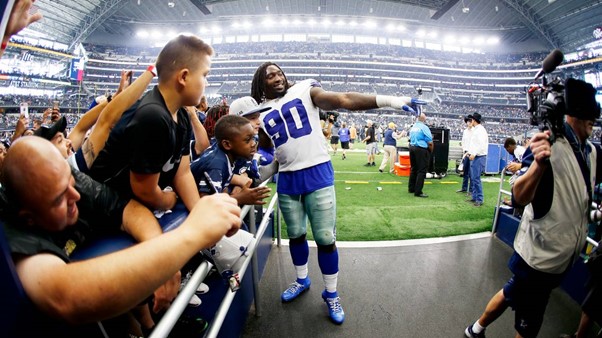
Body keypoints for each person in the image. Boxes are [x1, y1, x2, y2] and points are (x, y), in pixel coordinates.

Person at [1, 137, 241, 337]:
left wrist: (159, 255)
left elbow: (129, 211)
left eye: (71, 182)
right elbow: (66, 295)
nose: (75, 195)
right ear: (28, 216)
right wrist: (192, 233)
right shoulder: (11, 232)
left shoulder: (62, 182)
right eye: (58, 199)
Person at [250, 61, 423, 324]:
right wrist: (255, 163)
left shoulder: (306, 89)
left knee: (324, 238)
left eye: (279, 72)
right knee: (295, 234)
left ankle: (331, 293)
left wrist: (391, 101)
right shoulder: (262, 113)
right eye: (269, 75)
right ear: (261, 84)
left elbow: (343, 99)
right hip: (287, 178)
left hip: (317, 172)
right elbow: (266, 149)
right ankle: (301, 279)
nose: (276, 77)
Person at [464, 79, 601, 338]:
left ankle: (476, 329)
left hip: (557, 257)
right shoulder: (548, 145)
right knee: (528, 327)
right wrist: (539, 164)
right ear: (575, 116)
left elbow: (575, 197)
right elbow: (518, 196)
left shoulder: (591, 152)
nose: (593, 123)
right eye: (589, 117)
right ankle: (475, 329)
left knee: (511, 292)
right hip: (540, 259)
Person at [88, 34, 210, 214]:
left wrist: (199, 213)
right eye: (204, 75)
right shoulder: (152, 115)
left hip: (135, 203)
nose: (206, 82)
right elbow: (144, 190)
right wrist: (168, 200)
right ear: (183, 77)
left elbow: (182, 172)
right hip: (105, 207)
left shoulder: (182, 115)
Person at [190, 115, 271, 206]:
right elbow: (206, 203)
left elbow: (221, 192)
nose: (253, 144)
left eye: (253, 138)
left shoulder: (224, 155)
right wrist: (240, 198)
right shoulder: (216, 164)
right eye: (247, 140)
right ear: (227, 145)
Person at [466, 112, 488, 207]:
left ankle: (479, 199)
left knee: (476, 178)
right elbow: (475, 144)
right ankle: (475, 197)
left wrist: (474, 153)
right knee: (474, 178)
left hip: (479, 156)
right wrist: (470, 152)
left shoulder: (480, 130)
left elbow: (481, 144)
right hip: (475, 156)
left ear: (474, 120)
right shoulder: (477, 129)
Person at [408, 113, 433, 198]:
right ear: (424, 119)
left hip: (412, 147)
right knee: (421, 170)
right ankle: (418, 191)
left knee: (413, 168)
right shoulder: (424, 127)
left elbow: (410, 138)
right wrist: (431, 151)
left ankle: (411, 188)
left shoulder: (413, 127)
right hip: (421, 149)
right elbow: (430, 141)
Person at [457, 115, 473, 194]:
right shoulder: (465, 131)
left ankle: (470, 190)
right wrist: (464, 151)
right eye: (467, 121)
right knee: (465, 171)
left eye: (470, 121)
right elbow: (463, 142)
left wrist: (469, 152)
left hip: (472, 153)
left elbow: (474, 143)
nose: (469, 123)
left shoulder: (474, 131)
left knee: (471, 172)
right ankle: (464, 188)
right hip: (466, 153)